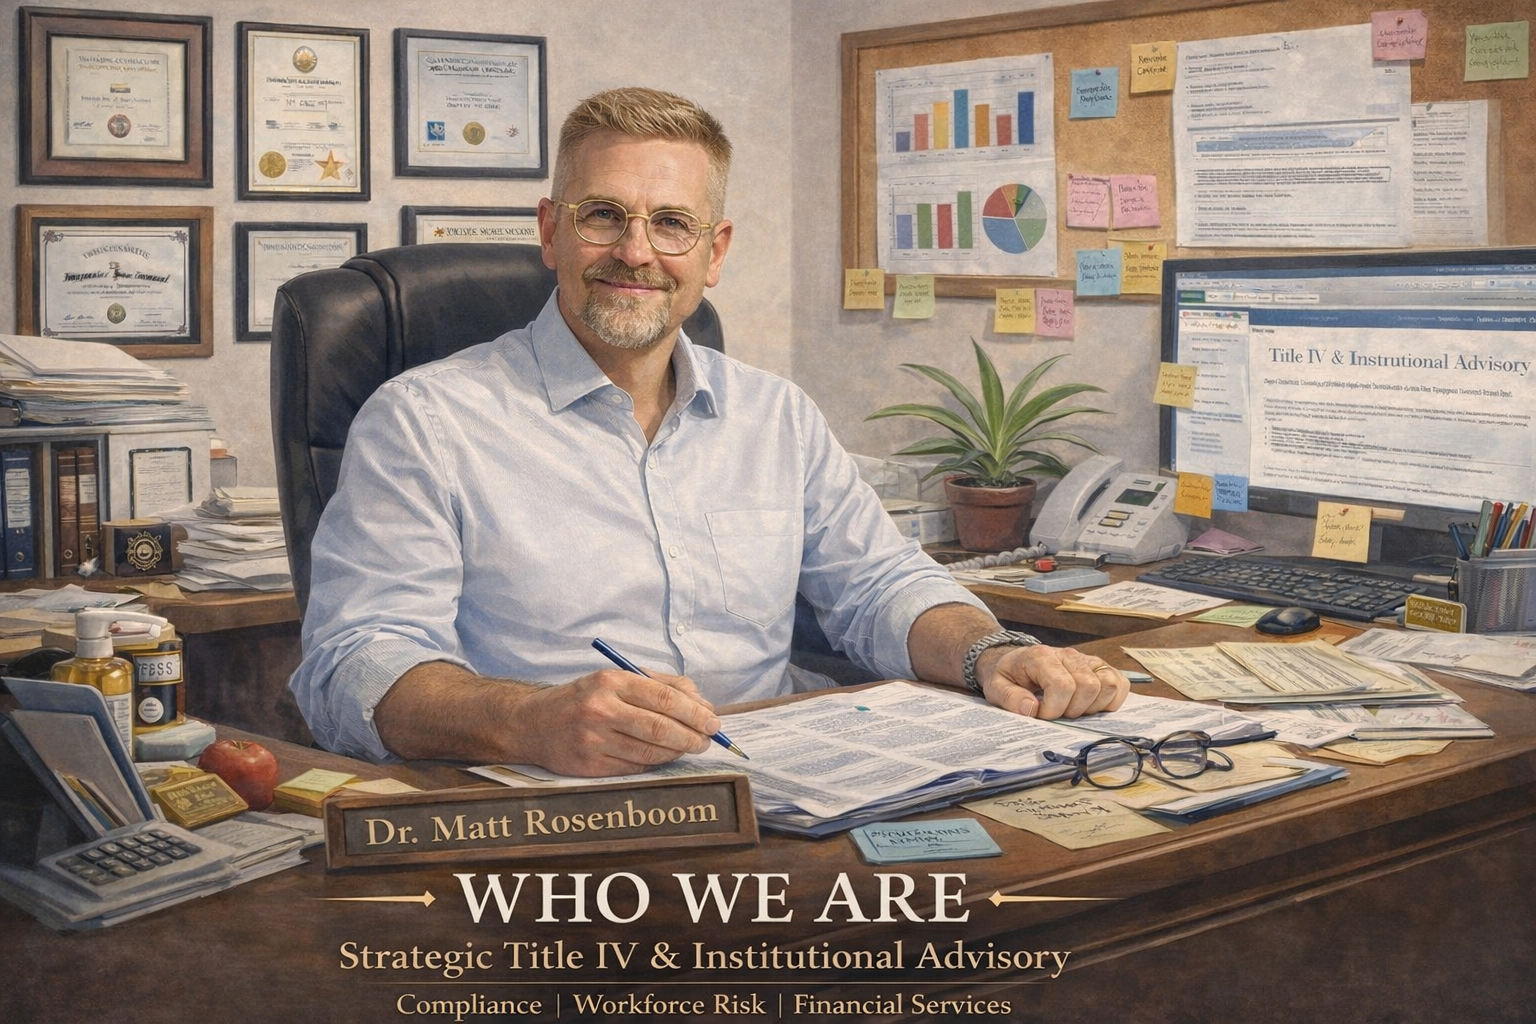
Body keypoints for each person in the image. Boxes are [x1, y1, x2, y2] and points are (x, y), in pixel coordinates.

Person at [289, 86, 1127, 777]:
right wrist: (527, 719)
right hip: (551, 800)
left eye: (672, 224)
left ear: (714, 251)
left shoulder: (776, 416)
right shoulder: (425, 422)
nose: (636, 251)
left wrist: (990, 651)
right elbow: (353, 663)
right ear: (550, 230)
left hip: (785, 777)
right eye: (603, 216)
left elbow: (877, 584)